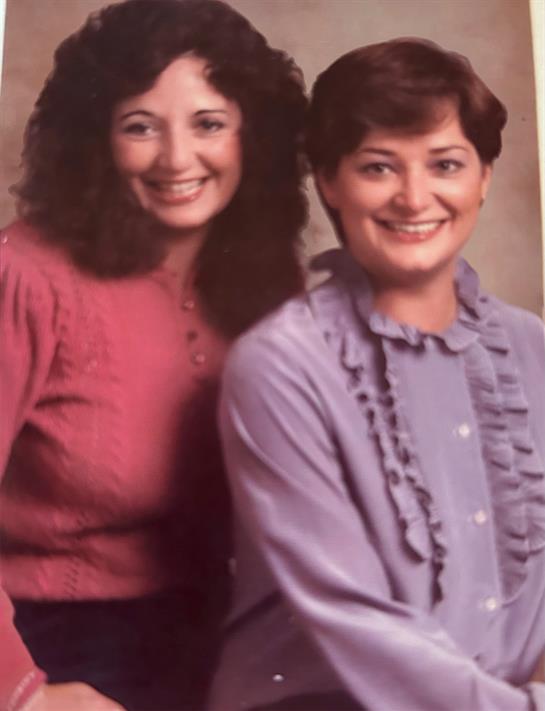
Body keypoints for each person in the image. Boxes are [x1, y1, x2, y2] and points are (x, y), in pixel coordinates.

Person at [208, 38, 545, 711]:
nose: (414, 198)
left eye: (445, 164)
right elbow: (352, 616)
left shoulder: (531, 346)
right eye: (378, 167)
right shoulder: (280, 364)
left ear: (483, 176)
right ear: (328, 181)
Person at [0, 1, 307, 709]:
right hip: (51, 643)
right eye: (140, 125)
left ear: (252, 135)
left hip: (219, 628)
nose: (177, 159)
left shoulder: (271, 278)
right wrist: (24, 693)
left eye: (209, 124)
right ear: (95, 138)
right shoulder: (26, 275)